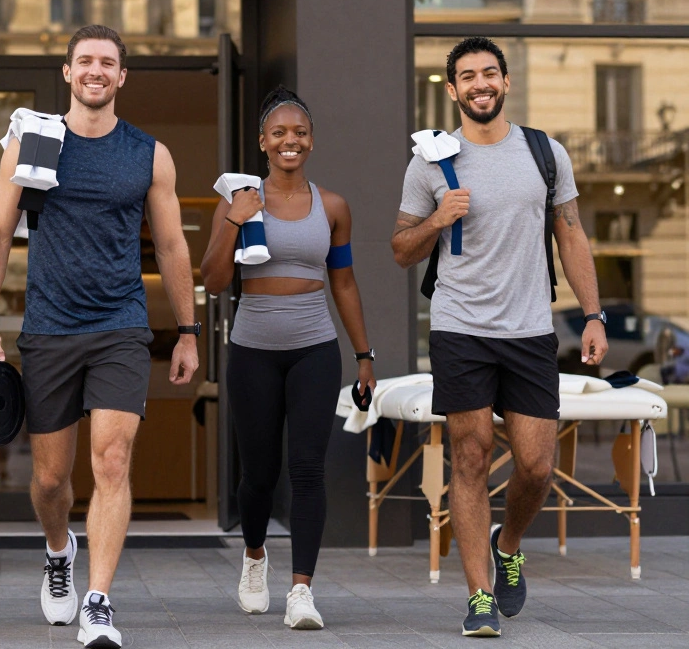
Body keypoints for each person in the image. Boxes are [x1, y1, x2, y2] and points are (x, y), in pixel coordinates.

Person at [0, 24, 200, 649]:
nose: (96, 71)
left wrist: (187, 331)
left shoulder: (149, 154)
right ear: (67, 73)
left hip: (120, 325)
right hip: (48, 328)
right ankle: (57, 548)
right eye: (85, 61)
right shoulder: (35, 144)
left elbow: (174, 245)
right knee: (49, 481)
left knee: (113, 460)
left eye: (108, 63)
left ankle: (99, 601)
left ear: (122, 77)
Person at [392, 37, 608, 638]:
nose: (480, 84)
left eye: (490, 73)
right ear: (453, 89)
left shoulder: (545, 153)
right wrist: (438, 219)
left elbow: (570, 234)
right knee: (471, 454)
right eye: (467, 76)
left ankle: (507, 542)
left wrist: (594, 315)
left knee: (538, 466)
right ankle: (479, 595)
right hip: (461, 327)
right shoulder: (431, 162)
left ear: (506, 83)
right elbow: (400, 250)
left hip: (531, 326)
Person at [200, 85, 377, 630]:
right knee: (258, 473)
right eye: (279, 133)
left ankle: (302, 589)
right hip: (253, 350)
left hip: (314, 350)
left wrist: (365, 355)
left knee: (306, 468)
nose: (289, 141)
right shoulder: (237, 201)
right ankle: (255, 559)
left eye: (299, 132)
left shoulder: (333, 207)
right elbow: (212, 281)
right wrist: (234, 220)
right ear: (263, 142)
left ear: (311, 140)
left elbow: (343, 283)